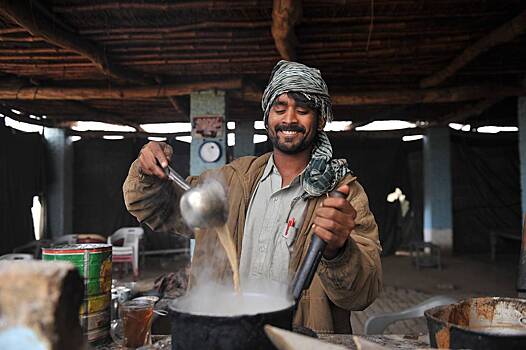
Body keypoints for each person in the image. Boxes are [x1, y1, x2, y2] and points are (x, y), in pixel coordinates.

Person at [123, 60, 382, 333]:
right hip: (224, 334)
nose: (290, 119)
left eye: (303, 110)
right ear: (267, 117)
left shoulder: (343, 196)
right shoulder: (231, 181)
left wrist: (338, 252)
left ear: (320, 121)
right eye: (279, 109)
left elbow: (362, 294)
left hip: (301, 339)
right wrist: (146, 171)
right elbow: (152, 207)